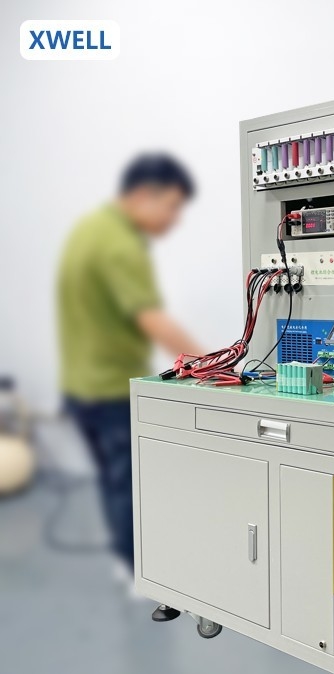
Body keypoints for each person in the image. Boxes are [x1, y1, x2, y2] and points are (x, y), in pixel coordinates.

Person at [57, 154, 202, 597]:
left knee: (113, 480)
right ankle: (142, 574)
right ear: (143, 194)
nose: (175, 220)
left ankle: (128, 560)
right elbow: (151, 319)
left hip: (80, 387)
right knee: (128, 484)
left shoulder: (88, 229)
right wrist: (213, 363)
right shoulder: (120, 245)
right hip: (111, 390)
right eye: (172, 206)